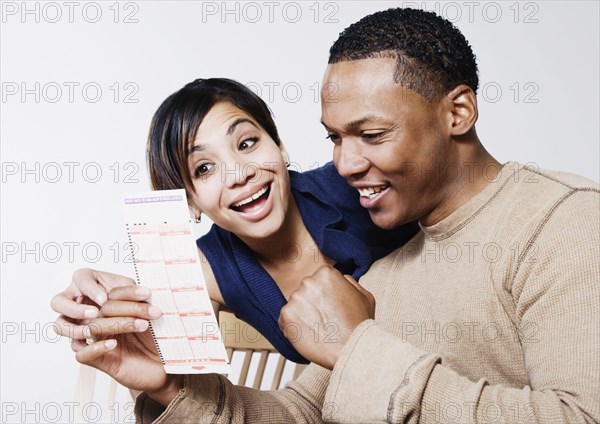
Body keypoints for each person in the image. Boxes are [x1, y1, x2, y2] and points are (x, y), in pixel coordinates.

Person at [57, 8, 599, 423]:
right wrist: (169, 387)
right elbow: (302, 414)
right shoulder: (383, 269)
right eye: (335, 139)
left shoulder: (564, 224)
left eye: (372, 135)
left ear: (457, 112)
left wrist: (356, 347)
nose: (345, 162)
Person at [51, 78, 417, 365]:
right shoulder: (203, 270)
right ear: (189, 200)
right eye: (204, 168)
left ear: (279, 144)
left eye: (246, 144)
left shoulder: (352, 182)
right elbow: (180, 380)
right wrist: (112, 307)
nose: (239, 173)